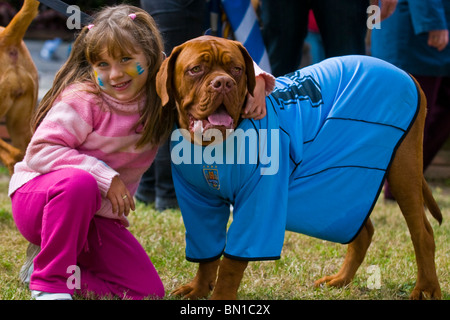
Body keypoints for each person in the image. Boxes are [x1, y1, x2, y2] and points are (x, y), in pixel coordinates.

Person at [8, 5, 171, 300]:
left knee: (146, 292)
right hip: (39, 201)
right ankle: (50, 284)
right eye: (103, 64)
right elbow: (40, 151)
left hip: (95, 216)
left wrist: (258, 84)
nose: (115, 74)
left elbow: (206, 68)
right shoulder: (84, 99)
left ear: (151, 56)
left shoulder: (162, 96)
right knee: (80, 183)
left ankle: (46, 270)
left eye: (125, 59)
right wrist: (103, 175)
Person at [371, 0, 450, 199]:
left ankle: (401, 182)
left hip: (415, 33)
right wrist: (432, 21)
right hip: (413, 36)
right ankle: (397, 187)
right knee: (412, 119)